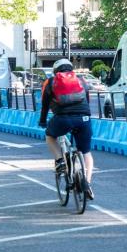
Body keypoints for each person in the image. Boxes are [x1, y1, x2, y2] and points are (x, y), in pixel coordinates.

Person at [38, 59, 95, 200]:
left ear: (55, 71)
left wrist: (43, 121)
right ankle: (87, 182)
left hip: (63, 119)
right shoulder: (81, 81)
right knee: (86, 152)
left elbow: (45, 105)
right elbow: (87, 100)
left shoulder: (50, 82)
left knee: (50, 136)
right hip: (84, 119)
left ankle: (60, 161)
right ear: (71, 69)